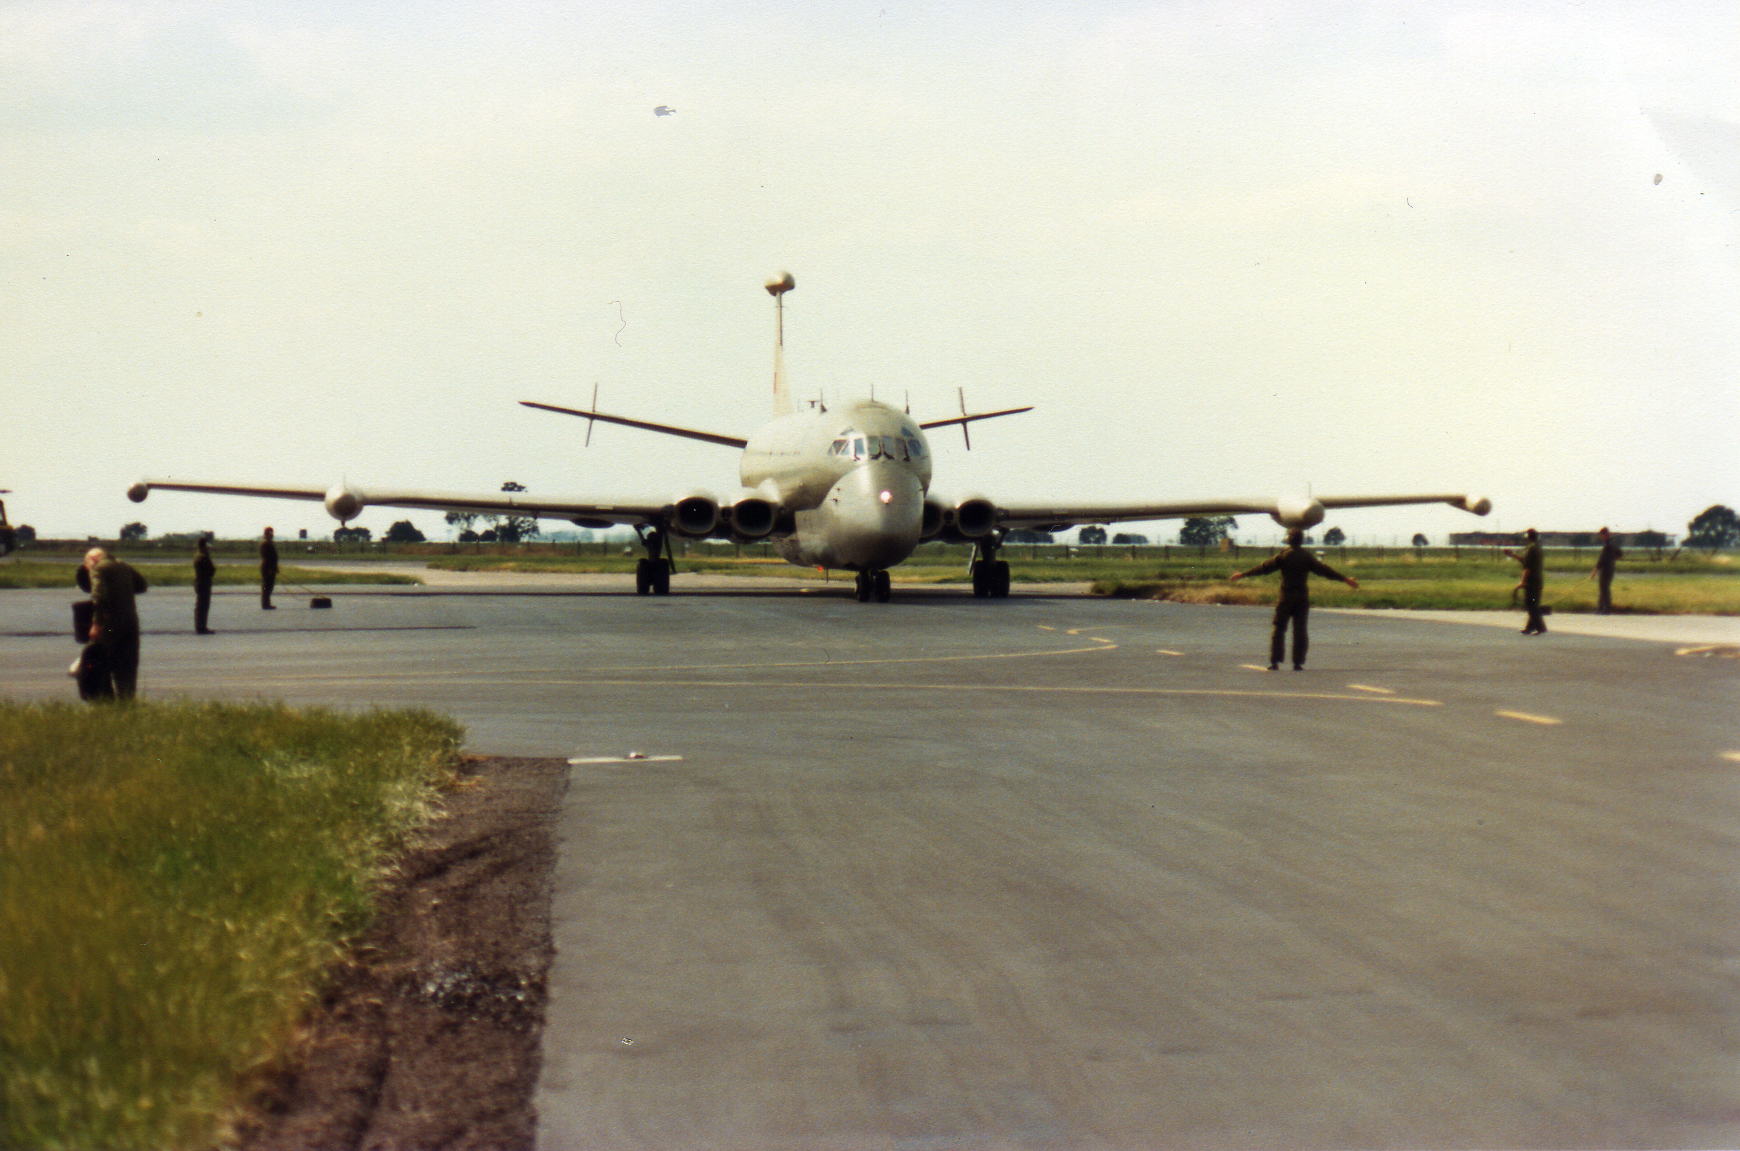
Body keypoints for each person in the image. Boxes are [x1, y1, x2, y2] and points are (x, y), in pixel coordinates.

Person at [1229, 528, 1360, 670]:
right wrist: (1345, 579)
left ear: (1289, 539)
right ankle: (1298, 663)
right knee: (1300, 630)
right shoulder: (1306, 557)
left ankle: (1275, 661)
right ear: (1301, 540)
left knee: (1279, 628)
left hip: (1286, 597)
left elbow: (1264, 568)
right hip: (1302, 598)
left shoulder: (1284, 555)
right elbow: (1324, 570)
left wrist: (1243, 574)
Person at [80, 547, 148, 700]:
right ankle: (127, 701)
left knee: (100, 660)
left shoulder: (98, 568)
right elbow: (142, 585)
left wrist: (96, 624)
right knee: (127, 665)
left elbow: (98, 596)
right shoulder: (123, 565)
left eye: (87, 565)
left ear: (93, 559)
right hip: (131, 622)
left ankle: (105, 700)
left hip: (110, 624)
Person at [1504, 528, 1548, 635]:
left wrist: (1522, 581)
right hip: (1538, 580)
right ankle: (1530, 628)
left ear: (1528, 537)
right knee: (1534, 604)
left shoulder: (1531, 549)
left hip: (1531, 581)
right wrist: (1513, 555)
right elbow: (1525, 561)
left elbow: (1527, 567)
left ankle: (1540, 627)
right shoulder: (1537, 548)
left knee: (1531, 605)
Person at [1587, 527, 1623, 615]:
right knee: (1603, 589)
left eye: (1602, 535)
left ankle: (1605, 608)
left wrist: (1594, 571)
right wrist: (1613, 559)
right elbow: (1620, 554)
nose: (1601, 537)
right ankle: (1601, 608)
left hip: (1606, 570)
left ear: (1605, 534)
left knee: (1604, 589)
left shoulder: (1608, 545)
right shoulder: (1612, 544)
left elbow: (1601, 560)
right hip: (1610, 569)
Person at [193, 535, 216, 634]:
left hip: (200, 582)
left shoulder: (198, 556)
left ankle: (200, 626)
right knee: (203, 606)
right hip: (204, 582)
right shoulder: (203, 557)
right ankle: (201, 627)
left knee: (201, 605)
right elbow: (211, 569)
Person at [259, 526, 279, 610]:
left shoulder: (270, 543)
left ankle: (267, 603)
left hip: (271, 568)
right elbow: (266, 557)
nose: (272, 535)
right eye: (270, 533)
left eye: (272, 533)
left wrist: (275, 567)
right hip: (267, 568)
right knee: (266, 586)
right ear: (266, 534)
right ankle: (265, 604)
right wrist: (270, 568)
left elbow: (274, 557)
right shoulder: (265, 544)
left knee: (270, 586)